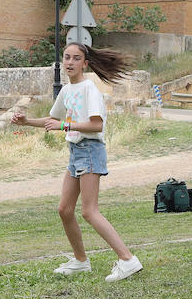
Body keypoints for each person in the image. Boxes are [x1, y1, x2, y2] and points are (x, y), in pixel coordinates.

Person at [12, 43, 142, 284]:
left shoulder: (88, 88)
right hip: (75, 152)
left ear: (85, 63)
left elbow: (96, 125)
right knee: (64, 209)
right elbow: (53, 119)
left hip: (90, 150)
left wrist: (65, 126)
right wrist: (27, 121)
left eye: (76, 58)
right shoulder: (67, 90)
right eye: (67, 57)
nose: (70, 62)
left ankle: (127, 260)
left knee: (89, 211)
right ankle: (81, 261)